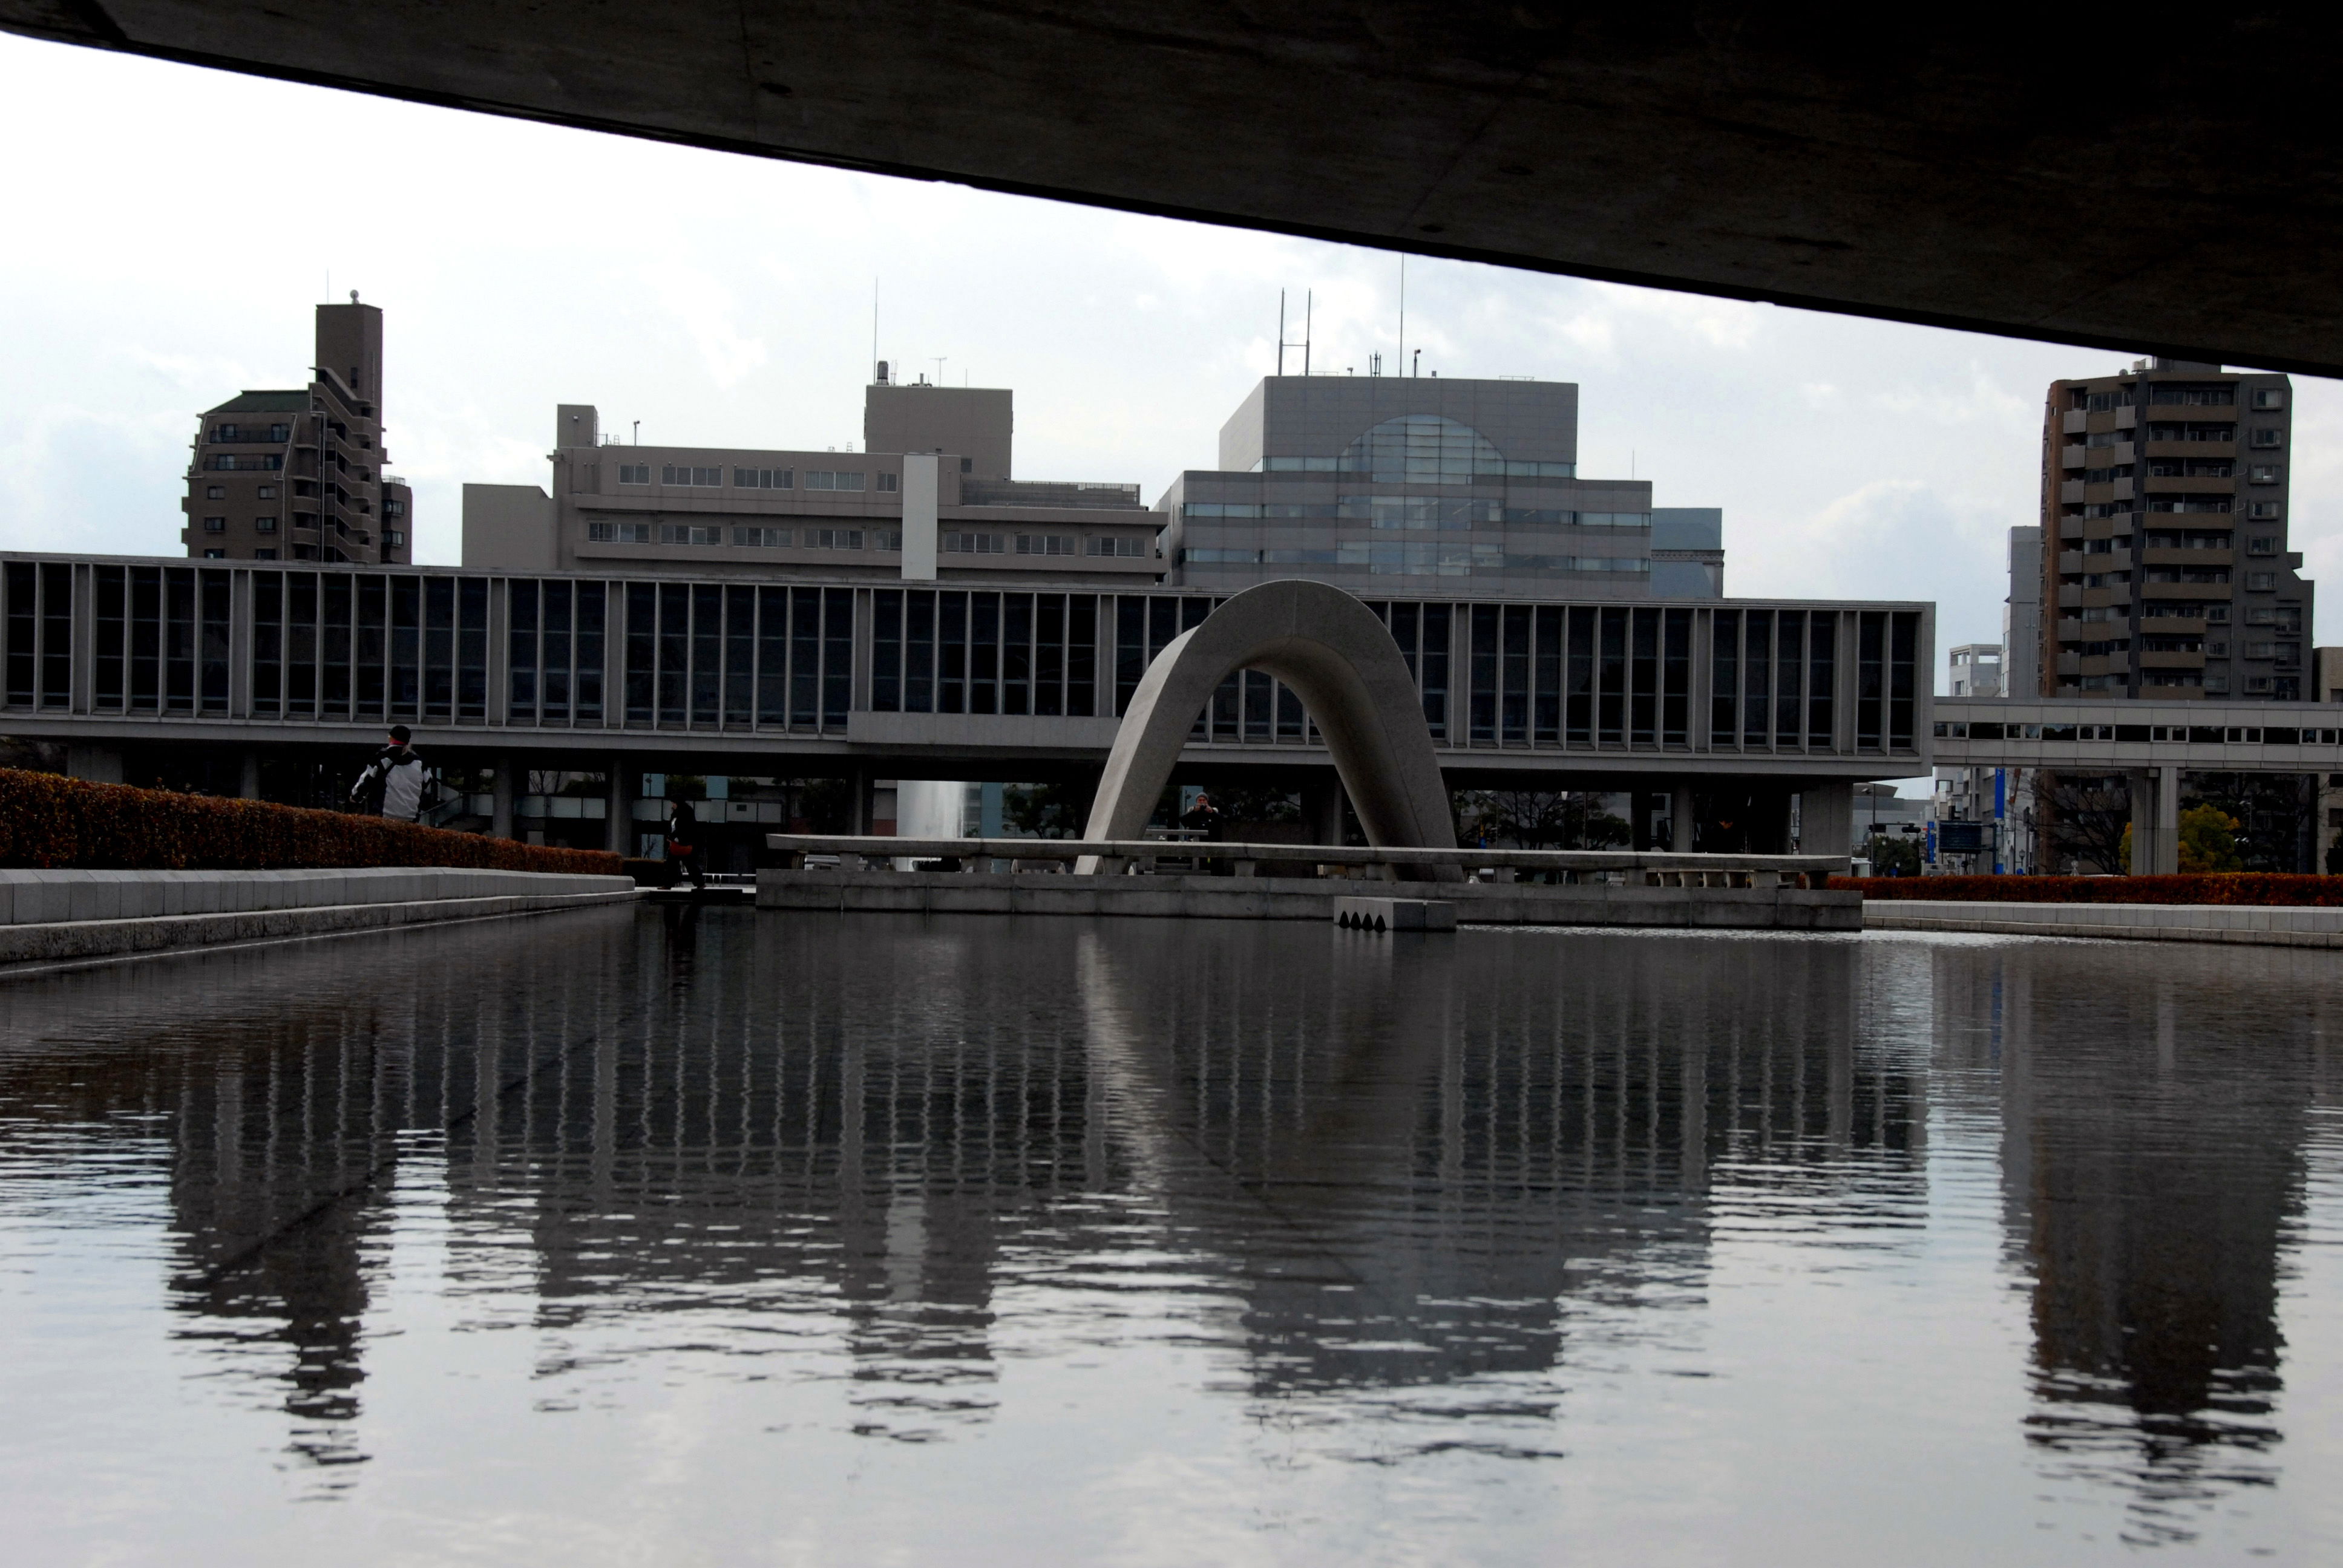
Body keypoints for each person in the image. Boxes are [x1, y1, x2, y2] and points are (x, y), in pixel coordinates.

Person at [349, 725, 429, 823]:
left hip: (385, 815)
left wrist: (355, 797)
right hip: (411, 817)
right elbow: (427, 781)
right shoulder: (419, 762)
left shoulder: (383, 758)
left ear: (392, 739)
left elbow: (367, 780)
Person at [666, 796, 707, 890]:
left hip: (685, 843)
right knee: (671, 864)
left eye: (674, 803)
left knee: (690, 864)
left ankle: (700, 883)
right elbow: (672, 827)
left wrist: (672, 837)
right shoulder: (675, 814)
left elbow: (683, 827)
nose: (673, 805)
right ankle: (668, 884)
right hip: (676, 843)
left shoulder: (686, 812)